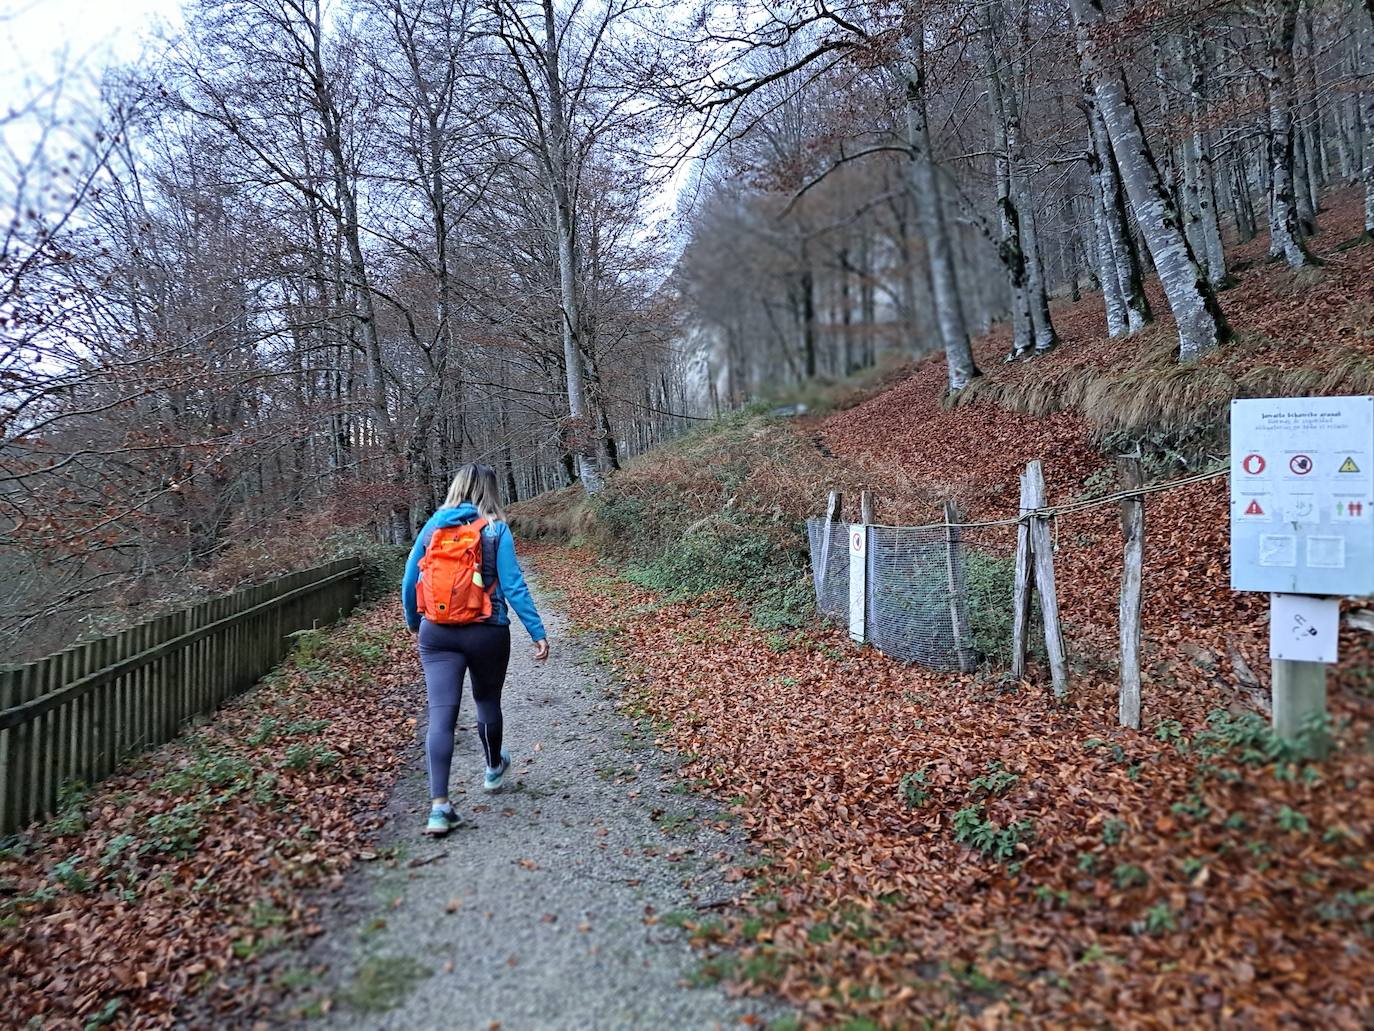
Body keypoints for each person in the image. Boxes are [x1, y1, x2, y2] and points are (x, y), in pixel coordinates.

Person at [401, 464, 549, 836]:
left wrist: (415, 622)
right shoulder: (497, 529)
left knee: (442, 714)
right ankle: (493, 768)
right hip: (487, 629)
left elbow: (409, 579)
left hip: (437, 632)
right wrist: (537, 630)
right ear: (489, 491)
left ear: (456, 488)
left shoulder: (433, 526)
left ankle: (439, 808)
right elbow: (514, 586)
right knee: (487, 703)